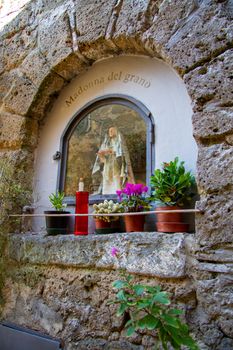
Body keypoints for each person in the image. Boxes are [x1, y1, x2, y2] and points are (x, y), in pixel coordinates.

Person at [92, 126, 135, 194]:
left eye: (112, 130)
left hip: (117, 165)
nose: (110, 132)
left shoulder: (119, 141)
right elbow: (103, 160)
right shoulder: (107, 142)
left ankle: (118, 196)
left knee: (117, 182)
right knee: (107, 182)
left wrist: (111, 151)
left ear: (116, 131)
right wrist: (101, 155)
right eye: (109, 131)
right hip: (108, 166)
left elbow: (122, 154)